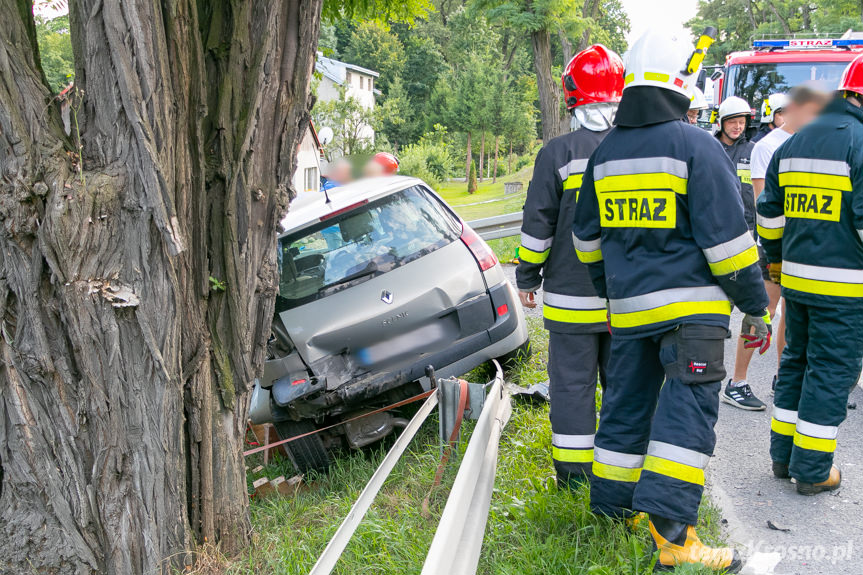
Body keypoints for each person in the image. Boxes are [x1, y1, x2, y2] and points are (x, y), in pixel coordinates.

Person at [573, 28, 770, 572]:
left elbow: (585, 241)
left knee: (626, 409)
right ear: (680, 79)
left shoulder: (607, 153)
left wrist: (611, 294)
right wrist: (755, 306)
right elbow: (729, 247)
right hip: (693, 319)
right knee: (686, 418)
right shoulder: (696, 146)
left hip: (631, 312)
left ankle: (613, 509)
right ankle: (676, 540)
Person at [516, 44, 624, 489]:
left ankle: (575, 478)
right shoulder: (636, 151)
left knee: (572, 388)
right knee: (623, 389)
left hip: (569, 300)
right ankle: (622, 475)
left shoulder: (556, 154)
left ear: (572, 96)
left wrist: (526, 276)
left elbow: (537, 224)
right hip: (628, 301)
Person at [756, 56, 863, 495]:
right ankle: (815, 470)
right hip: (845, 289)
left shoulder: (793, 142)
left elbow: (769, 217)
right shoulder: (860, 142)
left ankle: (783, 460)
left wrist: (778, 266)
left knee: (796, 364)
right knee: (831, 371)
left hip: (797, 284)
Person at [748, 85, 829, 393]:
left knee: (791, 311)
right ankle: (738, 379)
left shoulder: (809, 142)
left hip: (798, 244)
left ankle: (783, 374)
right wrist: (772, 247)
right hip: (772, 243)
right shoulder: (768, 146)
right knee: (762, 309)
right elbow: (762, 201)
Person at [712, 96, 769, 410]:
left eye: (742, 121)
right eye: (732, 120)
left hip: (749, 245)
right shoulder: (709, 149)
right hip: (715, 246)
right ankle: (705, 376)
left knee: (755, 312)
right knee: (714, 315)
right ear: (721, 122)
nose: (737, 126)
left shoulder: (754, 152)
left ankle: (738, 383)